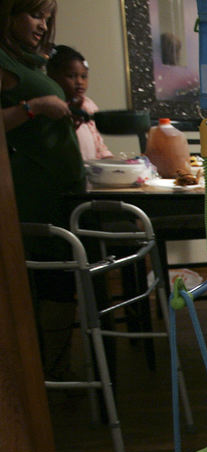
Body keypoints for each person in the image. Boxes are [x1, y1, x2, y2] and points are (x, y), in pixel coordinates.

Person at [2, 0, 85, 380]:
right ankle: (48, 377)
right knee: (51, 284)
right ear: (9, 13)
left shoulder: (30, 61)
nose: (42, 25)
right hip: (34, 194)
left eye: (47, 18)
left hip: (59, 193)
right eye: (35, 15)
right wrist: (36, 106)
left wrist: (62, 108)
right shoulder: (4, 61)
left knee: (58, 283)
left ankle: (56, 371)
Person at [46, 44, 111, 161]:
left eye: (84, 76)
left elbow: (97, 139)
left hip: (91, 171)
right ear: (52, 76)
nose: (80, 82)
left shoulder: (89, 105)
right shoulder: (52, 106)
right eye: (71, 76)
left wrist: (107, 158)